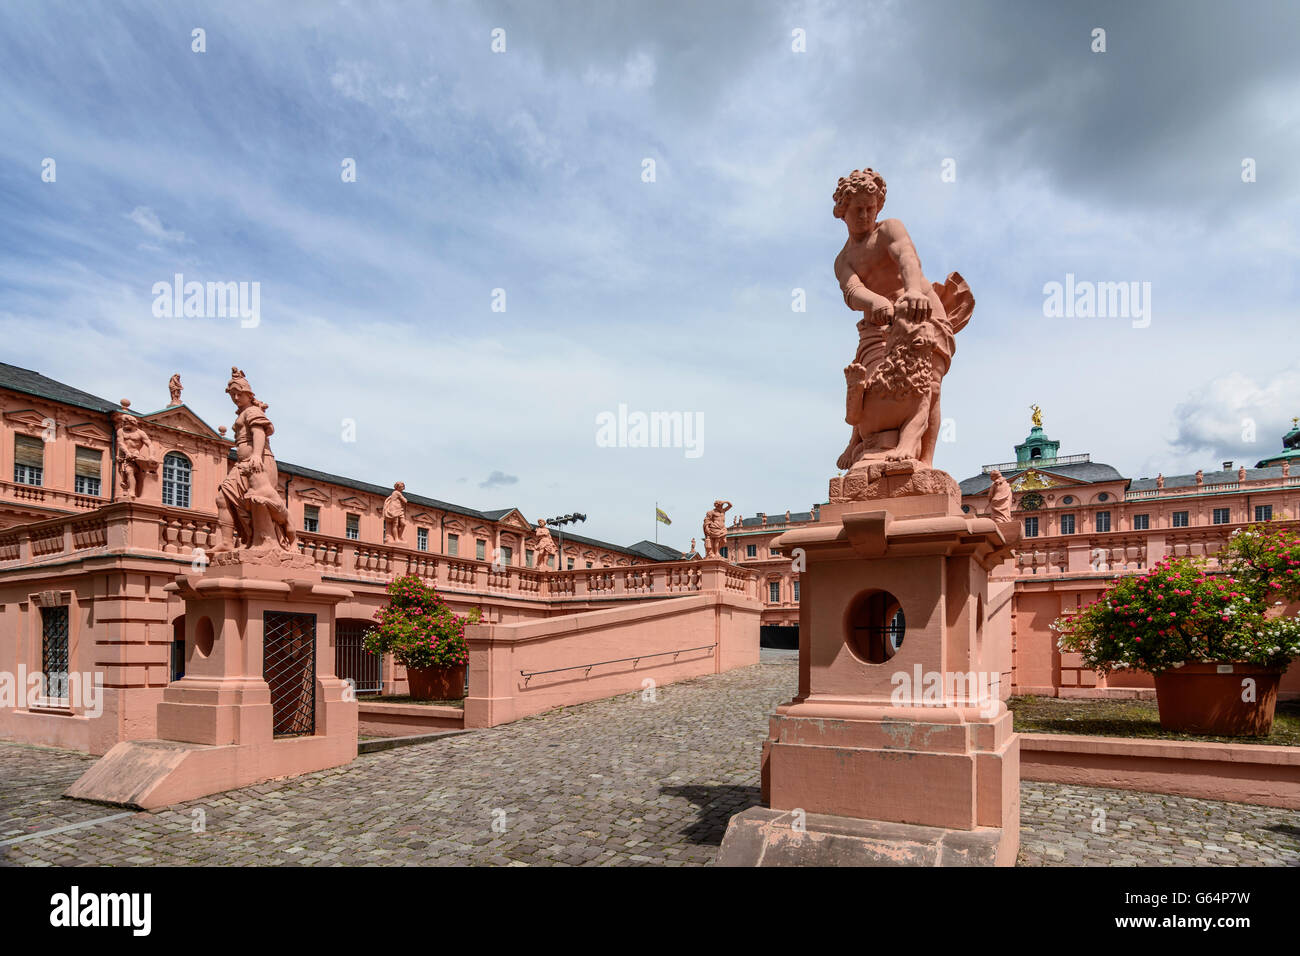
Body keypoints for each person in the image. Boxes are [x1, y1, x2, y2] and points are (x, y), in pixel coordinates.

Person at [211, 367, 295, 553]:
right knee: (223, 497)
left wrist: (256, 455)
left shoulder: (251, 412)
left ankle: (263, 541)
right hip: (242, 465)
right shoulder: (243, 413)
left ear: (248, 394)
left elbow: (259, 432)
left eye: (238, 393)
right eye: (232, 394)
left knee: (258, 501)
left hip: (258, 462)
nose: (235, 397)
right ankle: (226, 542)